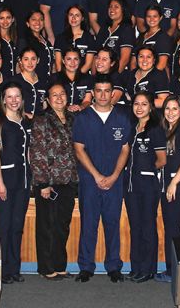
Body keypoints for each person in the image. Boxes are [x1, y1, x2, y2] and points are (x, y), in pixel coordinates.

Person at [72, 74, 131, 283]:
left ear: (113, 93)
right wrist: (96, 175)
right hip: (89, 180)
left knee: (112, 223)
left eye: (107, 91)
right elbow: (78, 149)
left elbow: (125, 149)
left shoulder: (122, 117)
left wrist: (114, 176)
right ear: (93, 93)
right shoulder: (82, 118)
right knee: (89, 223)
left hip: (114, 180)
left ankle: (113, 266)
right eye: (99, 91)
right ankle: (86, 267)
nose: (103, 95)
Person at [30, 81, 78, 280]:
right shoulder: (42, 120)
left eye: (62, 94)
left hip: (69, 181)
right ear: (48, 100)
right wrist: (43, 183)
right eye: (54, 95)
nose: (59, 98)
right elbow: (37, 152)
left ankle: (59, 265)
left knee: (62, 226)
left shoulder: (73, 119)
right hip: (48, 183)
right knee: (46, 226)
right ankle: (46, 267)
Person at [0, 82, 31, 284]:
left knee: (16, 226)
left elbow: (27, 152)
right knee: (2, 226)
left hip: (22, 181)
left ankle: (14, 268)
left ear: (22, 99)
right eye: (10, 96)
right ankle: (0, 271)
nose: (14, 100)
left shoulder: (25, 121)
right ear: (3, 99)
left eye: (17, 96)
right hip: (4, 180)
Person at [124, 91, 167, 283]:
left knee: (148, 226)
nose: (139, 107)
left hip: (148, 185)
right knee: (135, 227)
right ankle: (136, 267)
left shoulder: (155, 129)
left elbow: (162, 160)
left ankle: (148, 269)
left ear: (151, 107)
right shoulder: (132, 127)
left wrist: (147, 170)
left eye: (144, 104)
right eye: (136, 104)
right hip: (130, 184)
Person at [156, 95, 180, 282]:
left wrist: (173, 183)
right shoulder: (166, 130)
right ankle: (175, 270)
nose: (170, 112)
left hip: (179, 187)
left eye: (175, 109)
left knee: (173, 230)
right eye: (167, 108)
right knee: (172, 228)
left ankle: (175, 272)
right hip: (167, 186)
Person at [96, 0, 135, 73]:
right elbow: (96, 55)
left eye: (116, 7)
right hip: (101, 74)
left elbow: (124, 59)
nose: (112, 9)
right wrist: (95, 77)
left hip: (118, 74)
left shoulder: (126, 29)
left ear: (123, 10)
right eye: (110, 7)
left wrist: (113, 77)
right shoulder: (104, 28)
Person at [49, 47, 93, 113]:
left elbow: (87, 100)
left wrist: (81, 107)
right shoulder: (54, 78)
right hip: (59, 114)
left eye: (76, 59)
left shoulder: (87, 78)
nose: (72, 63)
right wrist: (67, 108)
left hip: (81, 114)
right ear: (63, 61)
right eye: (69, 59)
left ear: (79, 61)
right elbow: (51, 100)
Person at [54, 5, 95, 73]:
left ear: (82, 18)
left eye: (77, 15)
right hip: (63, 77)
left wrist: (76, 77)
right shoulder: (60, 38)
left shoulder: (89, 38)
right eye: (71, 15)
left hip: (83, 77)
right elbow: (58, 65)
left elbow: (88, 64)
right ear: (67, 17)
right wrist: (65, 77)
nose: (73, 18)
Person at [132, 5, 172, 72]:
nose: (151, 19)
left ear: (160, 18)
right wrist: (136, 75)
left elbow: (162, 64)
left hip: (156, 76)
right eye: (149, 16)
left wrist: (149, 77)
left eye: (155, 16)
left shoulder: (163, 37)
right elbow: (133, 62)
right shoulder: (141, 36)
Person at [18, 10, 53, 86]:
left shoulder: (47, 42)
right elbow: (20, 65)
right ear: (28, 23)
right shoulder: (24, 41)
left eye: (41, 19)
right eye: (34, 19)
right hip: (33, 83)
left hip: (47, 83)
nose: (38, 22)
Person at [11, 47, 46, 119]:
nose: (30, 63)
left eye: (33, 59)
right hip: (19, 120)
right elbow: (7, 106)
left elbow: (45, 105)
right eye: (26, 59)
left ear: (38, 60)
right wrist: (25, 115)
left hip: (40, 122)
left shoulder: (43, 81)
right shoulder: (13, 81)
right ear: (20, 61)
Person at [0, 7, 18, 80]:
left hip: (14, 81)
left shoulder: (16, 40)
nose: (5, 21)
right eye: (2, 18)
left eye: (8, 18)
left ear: (13, 19)